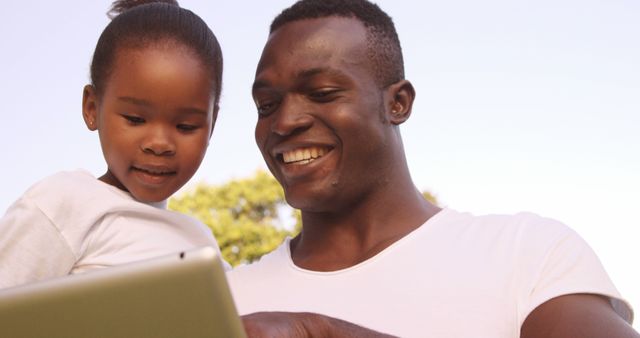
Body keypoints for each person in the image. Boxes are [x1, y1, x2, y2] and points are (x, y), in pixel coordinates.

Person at [227, 0, 637, 337]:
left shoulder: (527, 253)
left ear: (398, 103)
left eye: (321, 93)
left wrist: (323, 332)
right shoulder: (227, 301)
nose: (283, 122)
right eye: (266, 105)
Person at [0, 0, 225, 289]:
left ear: (212, 124)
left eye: (185, 126)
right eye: (135, 119)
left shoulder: (201, 243)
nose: (159, 144)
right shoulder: (64, 204)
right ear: (92, 108)